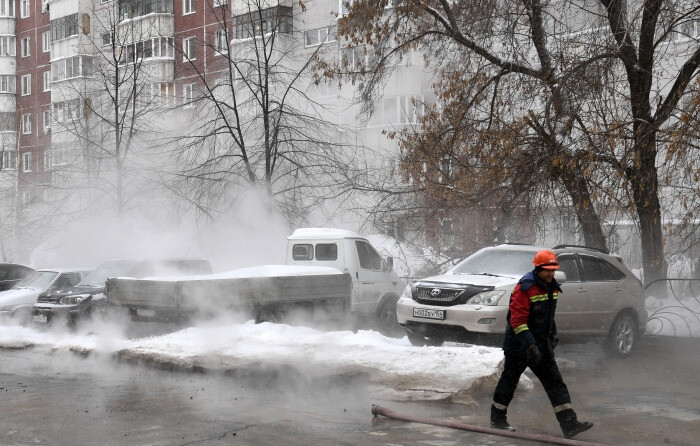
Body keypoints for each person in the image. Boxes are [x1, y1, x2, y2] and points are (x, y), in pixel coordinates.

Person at [490, 249, 593, 439]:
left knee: (555, 382)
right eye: (547, 270)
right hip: (518, 346)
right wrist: (530, 346)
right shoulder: (525, 288)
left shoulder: (551, 287)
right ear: (537, 268)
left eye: (553, 270)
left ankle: (569, 424)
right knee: (509, 382)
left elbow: (547, 316)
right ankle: (497, 419)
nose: (551, 273)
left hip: (541, 345)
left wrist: (552, 336)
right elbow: (517, 321)